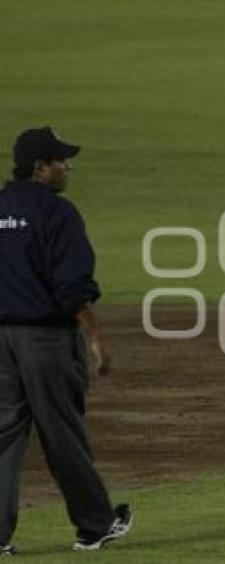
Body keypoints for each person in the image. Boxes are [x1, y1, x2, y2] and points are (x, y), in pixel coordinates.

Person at [0, 127, 133, 555]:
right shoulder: (57, 214)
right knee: (62, 434)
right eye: (61, 161)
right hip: (47, 341)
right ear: (40, 167)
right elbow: (72, 287)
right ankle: (95, 526)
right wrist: (96, 337)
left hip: (1, 343)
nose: (67, 166)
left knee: (3, 437)